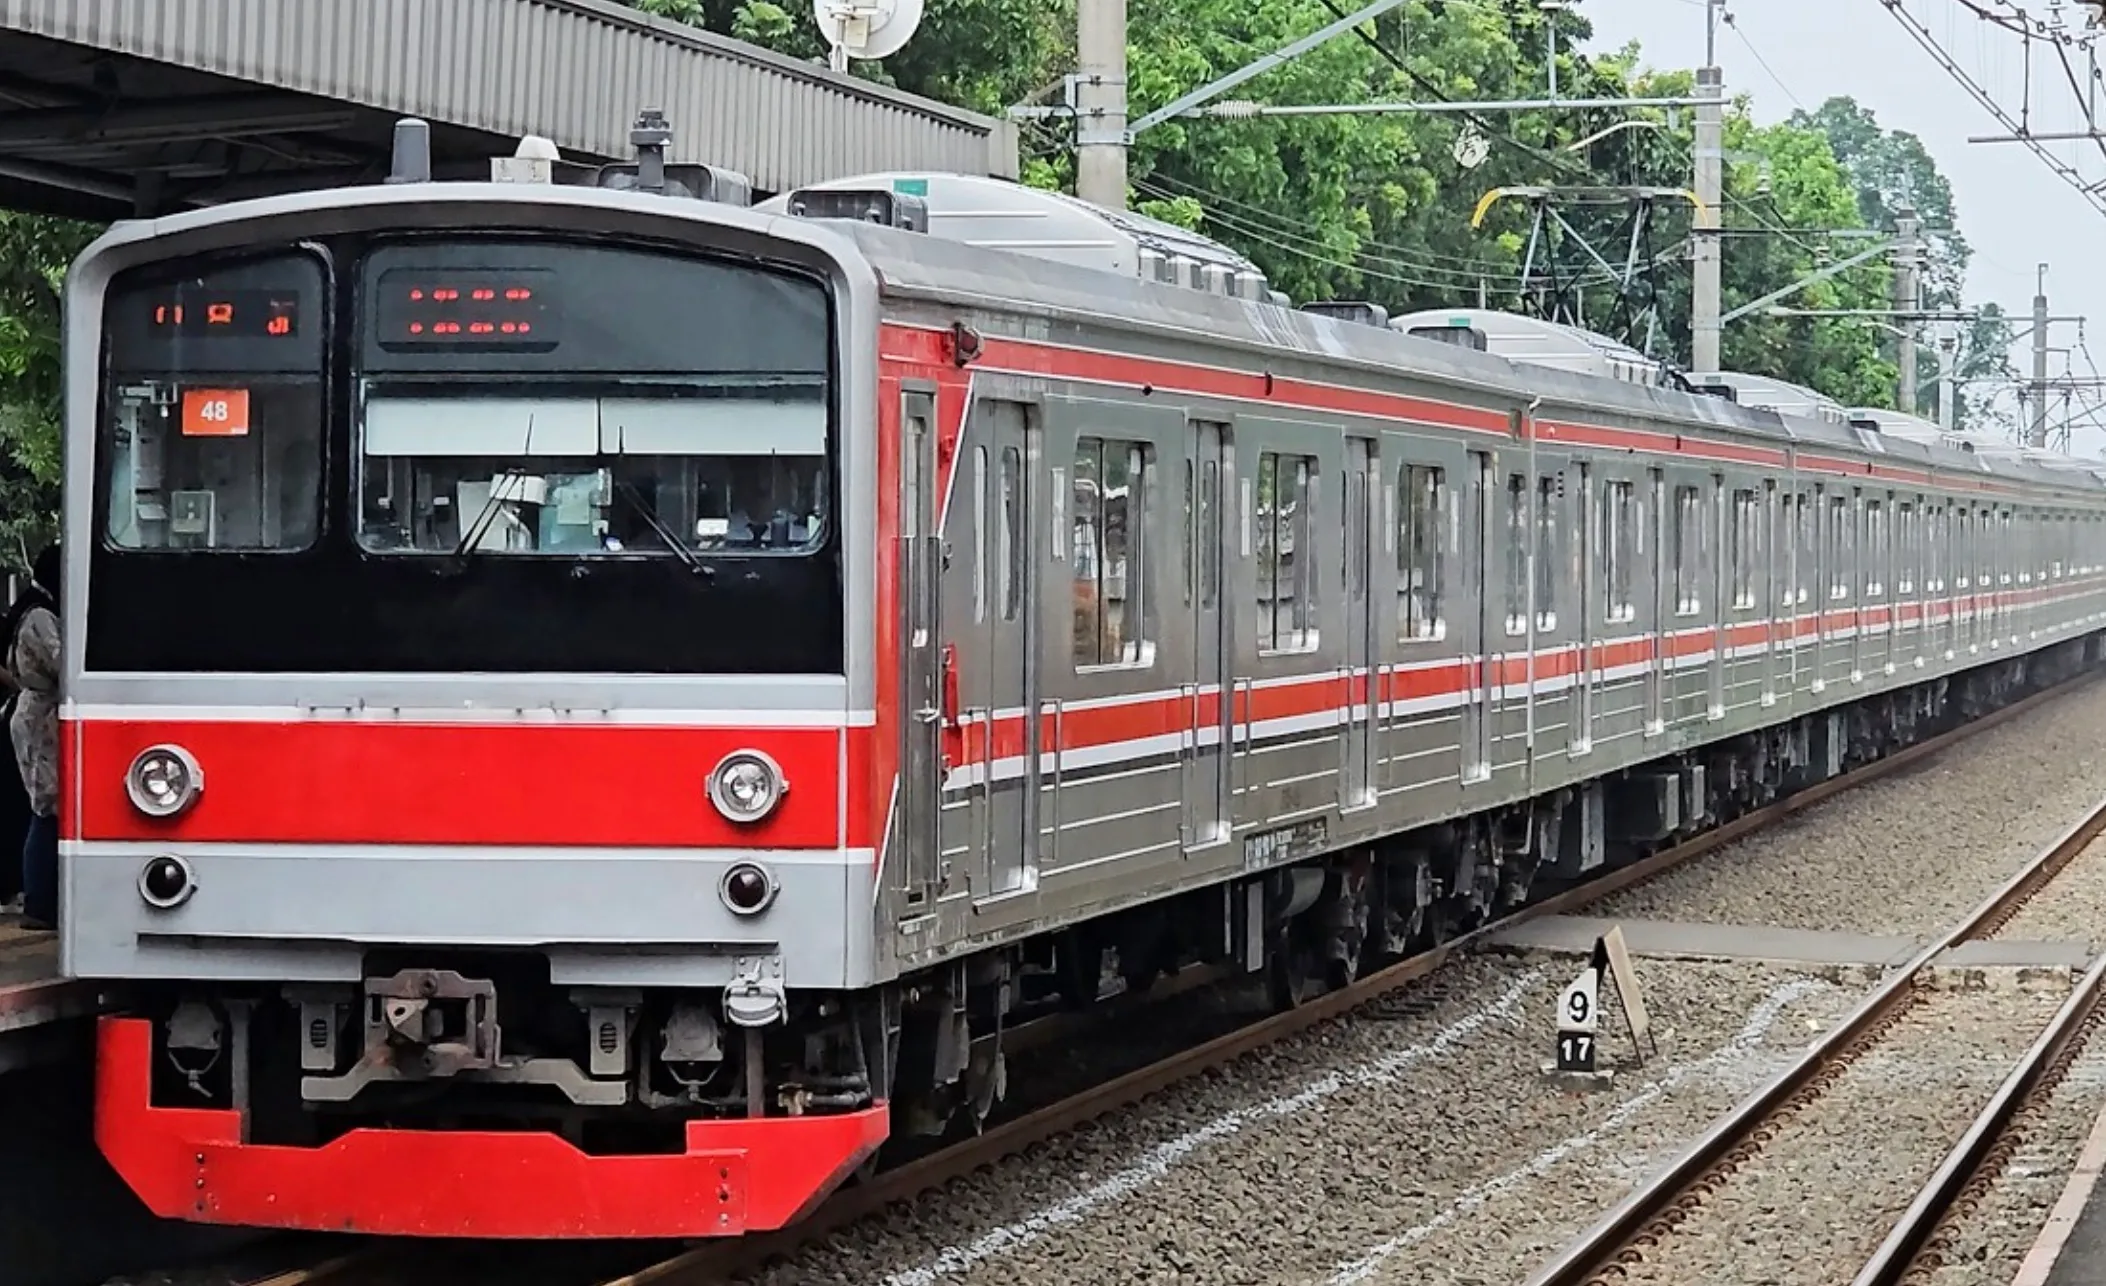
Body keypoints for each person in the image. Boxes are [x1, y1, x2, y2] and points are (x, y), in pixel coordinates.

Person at [7, 544, 59, 929]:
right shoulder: (40, 614)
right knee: (46, 805)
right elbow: (61, 662)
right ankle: (39, 903)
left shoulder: (34, 607)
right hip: (39, 713)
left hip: (41, 711)